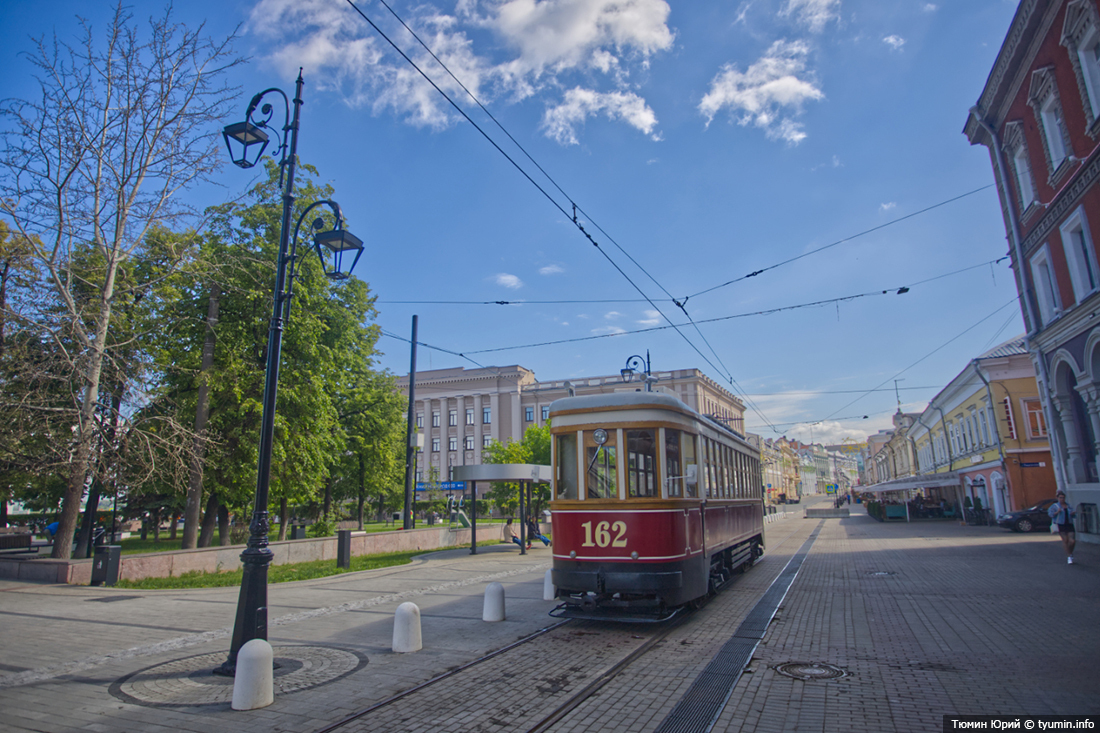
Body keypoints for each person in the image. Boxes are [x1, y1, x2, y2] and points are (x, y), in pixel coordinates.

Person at [1047, 491, 1077, 564]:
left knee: (1072, 541)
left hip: (1069, 524)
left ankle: (1070, 552)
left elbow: (1073, 515)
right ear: (1057, 498)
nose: (1062, 499)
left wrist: (1073, 514)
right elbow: (1050, 514)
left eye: (1063, 498)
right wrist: (1057, 512)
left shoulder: (1068, 505)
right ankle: (1069, 556)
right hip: (1061, 524)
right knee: (1065, 540)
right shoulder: (1055, 506)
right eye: (1060, 498)